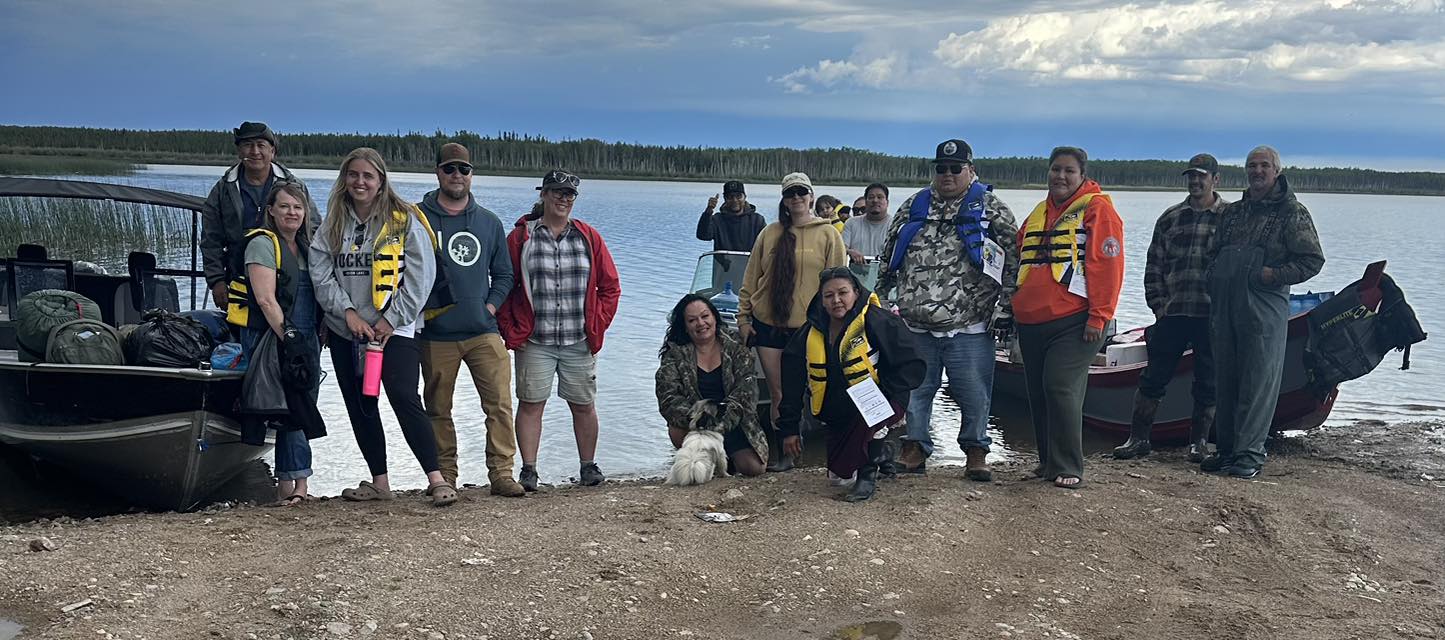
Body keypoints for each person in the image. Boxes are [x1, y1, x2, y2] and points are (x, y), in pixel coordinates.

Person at [310, 147, 455, 506]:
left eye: (368, 176)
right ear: (345, 178)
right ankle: (380, 482)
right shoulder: (333, 222)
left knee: (404, 396)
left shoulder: (403, 218)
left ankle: (436, 479)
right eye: (354, 174)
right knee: (361, 404)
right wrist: (347, 314)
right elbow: (321, 273)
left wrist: (391, 319)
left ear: (380, 181)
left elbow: (422, 275)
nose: (360, 181)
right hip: (349, 330)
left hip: (397, 328)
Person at [877, 140, 1020, 481]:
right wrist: (881, 298)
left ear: (970, 169)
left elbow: (1014, 256)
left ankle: (976, 451)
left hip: (968, 324)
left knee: (973, 391)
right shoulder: (914, 205)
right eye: (941, 168)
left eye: (955, 168)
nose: (947, 174)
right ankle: (915, 447)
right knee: (917, 390)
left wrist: (1008, 305)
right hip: (915, 323)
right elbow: (889, 252)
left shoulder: (990, 208)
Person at [1202, 146, 1324, 479]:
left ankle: (1249, 454)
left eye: (1264, 166)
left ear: (1277, 171)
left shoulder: (1292, 212)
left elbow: (1312, 261)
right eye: (1252, 166)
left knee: (1258, 381)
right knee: (1226, 381)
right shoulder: (1234, 212)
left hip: (1264, 307)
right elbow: (1212, 254)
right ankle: (1226, 450)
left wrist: (1272, 276)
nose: (1257, 171)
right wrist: (1213, 276)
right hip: (1225, 307)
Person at [497, 170, 622, 490]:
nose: (564, 199)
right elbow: (504, 286)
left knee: (583, 404)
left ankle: (588, 466)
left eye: (569, 194)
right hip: (534, 341)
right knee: (531, 404)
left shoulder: (588, 237)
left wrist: (597, 325)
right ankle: (528, 470)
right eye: (557, 192)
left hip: (578, 341)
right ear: (544, 194)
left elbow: (610, 287)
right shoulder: (522, 237)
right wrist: (512, 332)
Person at [416, 143, 525, 497]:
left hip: (483, 331)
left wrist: (488, 308)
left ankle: (502, 473)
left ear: (471, 174)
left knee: (499, 405)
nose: (457, 176)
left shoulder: (489, 222)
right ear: (438, 173)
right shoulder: (416, 218)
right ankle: (444, 475)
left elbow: (505, 275)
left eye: (464, 169)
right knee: (437, 409)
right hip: (435, 333)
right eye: (449, 169)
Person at [1013, 146, 1124, 489]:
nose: (1060, 176)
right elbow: (1018, 256)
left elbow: (1107, 266)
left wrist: (1099, 316)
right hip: (1031, 321)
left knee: (1060, 386)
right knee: (1038, 391)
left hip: (1074, 321)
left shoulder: (1098, 210)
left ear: (1082, 176)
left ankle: (1069, 465)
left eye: (1068, 171)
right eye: (1055, 169)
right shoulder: (1038, 212)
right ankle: (1047, 461)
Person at [1114, 153, 1228, 462]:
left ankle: (1199, 444)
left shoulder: (1230, 218)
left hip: (1211, 316)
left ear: (1215, 180)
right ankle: (1138, 439)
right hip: (1173, 313)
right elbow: (1154, 266)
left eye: (1201, 176)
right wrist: (1159, 306)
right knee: (1153, 379)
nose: (1195, 181)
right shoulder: (1170, 218)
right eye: (1191, 176)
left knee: (1208, 381)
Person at [776, 268, 924, 501]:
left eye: (843, 293)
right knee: (839, 477)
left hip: (884, 396)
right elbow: (792, 381)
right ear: (821, 300)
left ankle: (868, 475)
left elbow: (913, 364)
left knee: (872, 417)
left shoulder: (878, 320)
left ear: (856, 292)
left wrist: (884, 393)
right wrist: (790, 428)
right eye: (829, 295)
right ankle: (883, 453)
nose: (836, 300)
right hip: (840, 407)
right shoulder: (809, 331)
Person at [736, 172, 848, 471]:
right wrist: (744, 317)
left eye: (801, 192)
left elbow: (839, 284)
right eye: (790, 193)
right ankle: (786, 455)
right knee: (779, 394)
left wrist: (839, 323)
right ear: (784, 201)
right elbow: (751, 277)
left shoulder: (828, 235)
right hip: (768, 325)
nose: (796, 198)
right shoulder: (769, 233)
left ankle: (832, 451)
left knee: (818, 390)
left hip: (809, 328)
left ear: (811, 196)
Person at [235, 180, 324, 506]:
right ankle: (295, 487)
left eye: (297, 207)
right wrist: (288, 337)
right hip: (275, 339)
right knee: (294, 408)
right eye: (285, 206)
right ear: (270, 210)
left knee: (301, 408)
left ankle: (291, 486)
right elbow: (265, 299)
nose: (292, 212)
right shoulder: (262, 244)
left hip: (306, 339)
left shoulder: (306, 246)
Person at [202, 122, 318, 311]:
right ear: (239, 151)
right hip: (240, 279)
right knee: (246, 337)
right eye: (248, 145)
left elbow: (313, 230)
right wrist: (216, 281)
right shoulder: (223, 190)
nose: (255, 151)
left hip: (290, 278)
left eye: (261, 145)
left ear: (272, 151)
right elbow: (210, 239)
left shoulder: (294, 186)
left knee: (292, 332)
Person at [655, 294, 768, 477]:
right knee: (677, 432)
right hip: (693, 424)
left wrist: (720, 420)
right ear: (684, 326)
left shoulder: (736, 346)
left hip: (732, 422)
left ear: (715, 317)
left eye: (705, 316)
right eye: (692, 320)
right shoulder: (674, 354)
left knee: (754, 469)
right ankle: (703, 459)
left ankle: (724, 457)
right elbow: (668, 398)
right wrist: (699, 418)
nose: (700, 323)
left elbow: (747, 392)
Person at [696, 180, 767, 252]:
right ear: (724, 199)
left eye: (739, 196)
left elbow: (766, 244)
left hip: (750, 263)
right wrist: (708, 211)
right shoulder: (717, 219)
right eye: (730, 197)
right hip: (723, 263)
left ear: (745, 197)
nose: (735, 200)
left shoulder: (757, 220)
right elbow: (703, 236)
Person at [842, 183, 893, 264]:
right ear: (866, 202)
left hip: (884, 273)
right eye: (871, 197)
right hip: (856, 273)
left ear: (887, 202)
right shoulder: (851, 223)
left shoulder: (894, 225)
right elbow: (841, 248)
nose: (875, 200)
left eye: (880, 197)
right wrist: (850, 252)